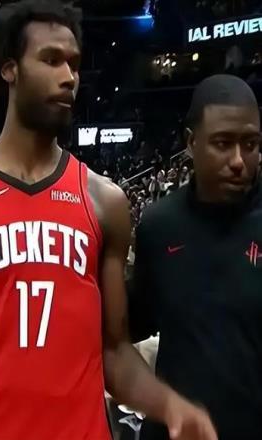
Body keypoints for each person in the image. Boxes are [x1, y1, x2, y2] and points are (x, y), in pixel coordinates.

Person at [0, 2, 217, 440]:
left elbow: (114, 352)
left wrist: (170, 406)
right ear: (10, 69)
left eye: (74, 63)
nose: (69, 76)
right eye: (51, 59)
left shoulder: (104, 201)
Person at [129, 75, 262, 440]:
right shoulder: (159, 226)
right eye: (223, 143)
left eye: (251, 144)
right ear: (191, 143)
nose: (239, 160)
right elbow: (135, 321)